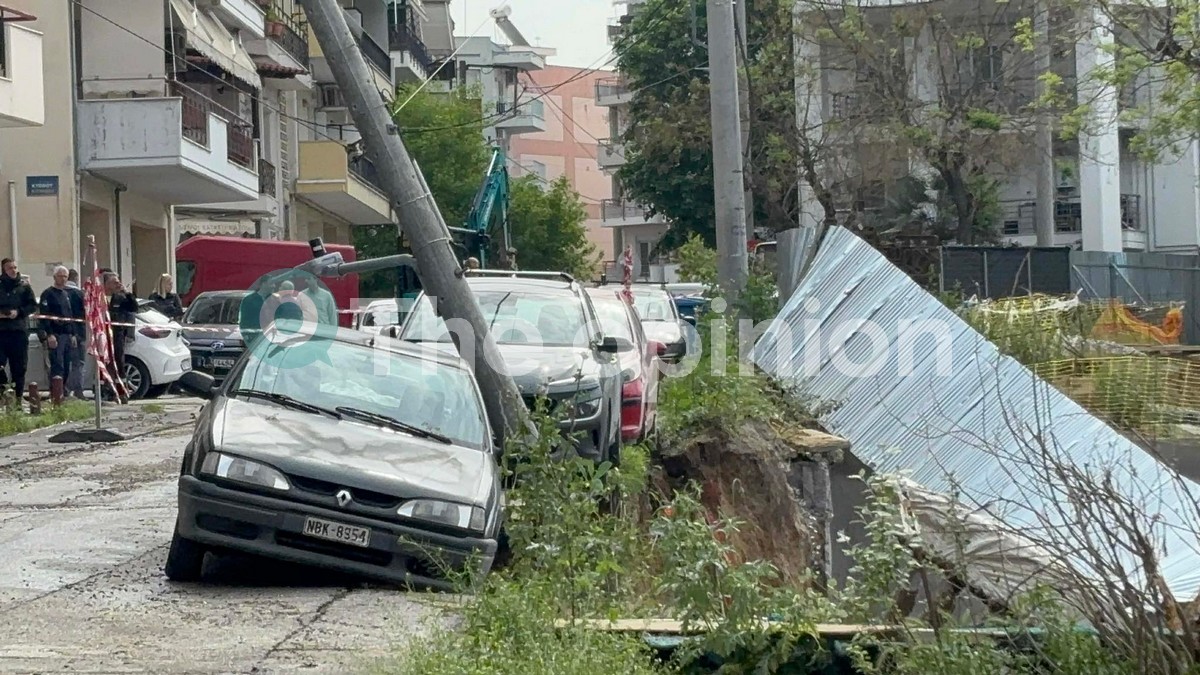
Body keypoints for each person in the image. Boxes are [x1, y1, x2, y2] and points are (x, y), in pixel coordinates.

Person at [37, 266, 85, 397]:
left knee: (67, 366)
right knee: (57, 366)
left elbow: (71, 316)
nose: (63, 279)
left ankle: (63, 393)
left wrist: (74, 334)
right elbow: (44, 317)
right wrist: (50, 335)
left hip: (68, 335)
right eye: (60, 276)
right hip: (56, 335)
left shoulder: (67, 294)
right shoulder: (48, 294)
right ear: (54, 277)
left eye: (65, 276)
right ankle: (56, 396)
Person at [0, 258, 38, 407]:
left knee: (19, 367)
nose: (13, 270)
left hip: (18, 331)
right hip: (1, 332)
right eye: (9, 268)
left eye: (15, 267)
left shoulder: (24, 286)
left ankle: (17, 399)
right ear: (4, 270)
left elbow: (32, 306)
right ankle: (4, 394)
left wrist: (19, 312)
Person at [103, 271, 138, 403]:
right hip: (103, 335)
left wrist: (128, 293)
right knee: (105, 363)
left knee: (119, 362)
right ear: (106, 284)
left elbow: (134, 308)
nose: (117, 284)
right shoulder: (99, 298)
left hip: (117, 334)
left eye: (118, 282)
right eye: (114, 282)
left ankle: (121, 391)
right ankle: (105, 391)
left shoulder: (121, 297)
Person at [64, 269, 86, 398]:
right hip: (78, 333)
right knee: (78, 363)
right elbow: (84, 314)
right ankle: (74, 389)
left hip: (63, 333)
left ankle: (65, 389)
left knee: (66, 363)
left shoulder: (60, 292)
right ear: (76, 278)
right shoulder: (79, 294)